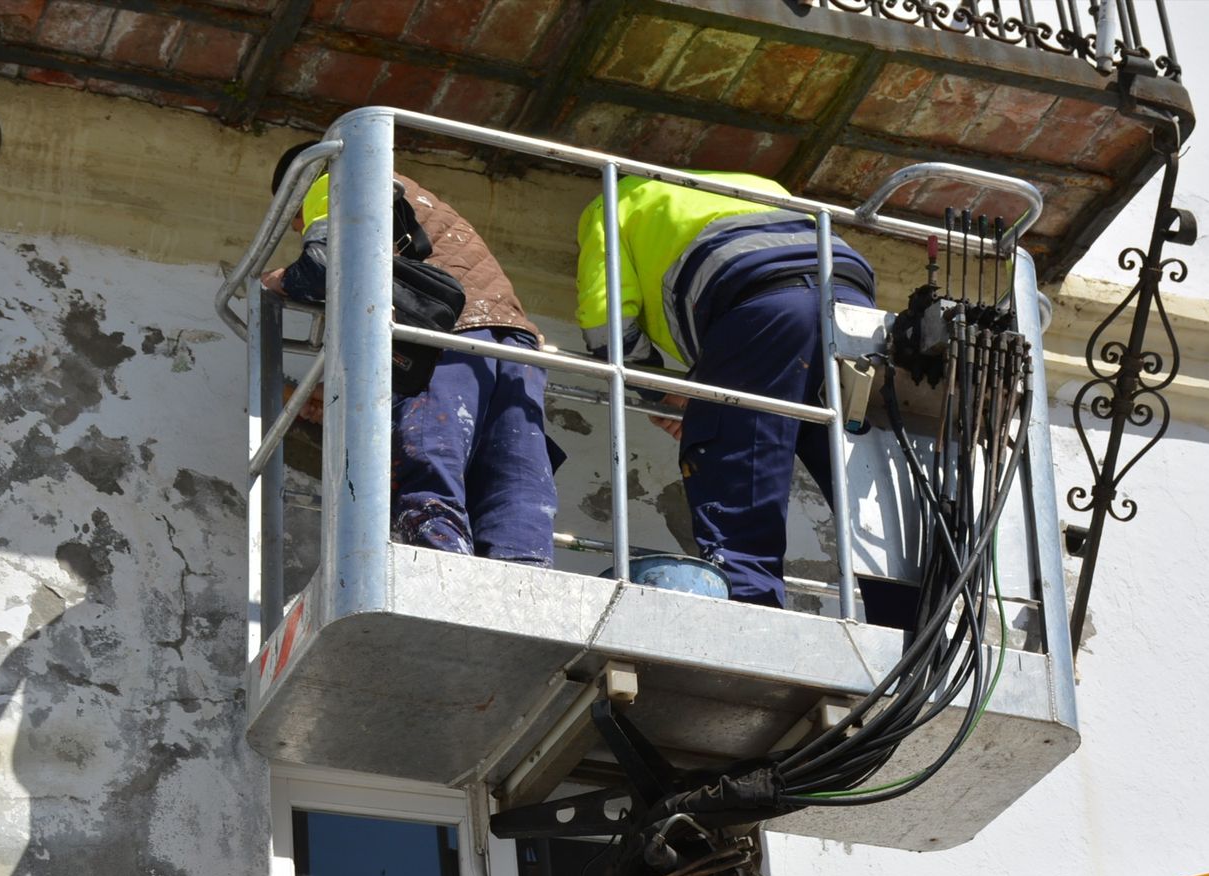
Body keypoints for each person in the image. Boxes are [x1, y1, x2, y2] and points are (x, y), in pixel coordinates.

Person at [575, 173, 876, 609]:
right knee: (862, 476)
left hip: (761, 304)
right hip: (853, 303)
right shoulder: (761, 184)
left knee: (737, 460)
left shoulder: (613, 199)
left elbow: (605, 322)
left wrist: (664, 395)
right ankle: (917, 619)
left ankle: (752, 609)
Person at [263, 142, 561, 567]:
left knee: (427, 465)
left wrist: (281, 281)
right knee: (513, 483)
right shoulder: (415, 197)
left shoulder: (335, 176)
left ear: (295, 191)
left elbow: (324, 263)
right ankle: (526, 585)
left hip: (443, 337)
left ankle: (443, 577)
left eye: (294, 220)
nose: (299, 227)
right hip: (515, 343)